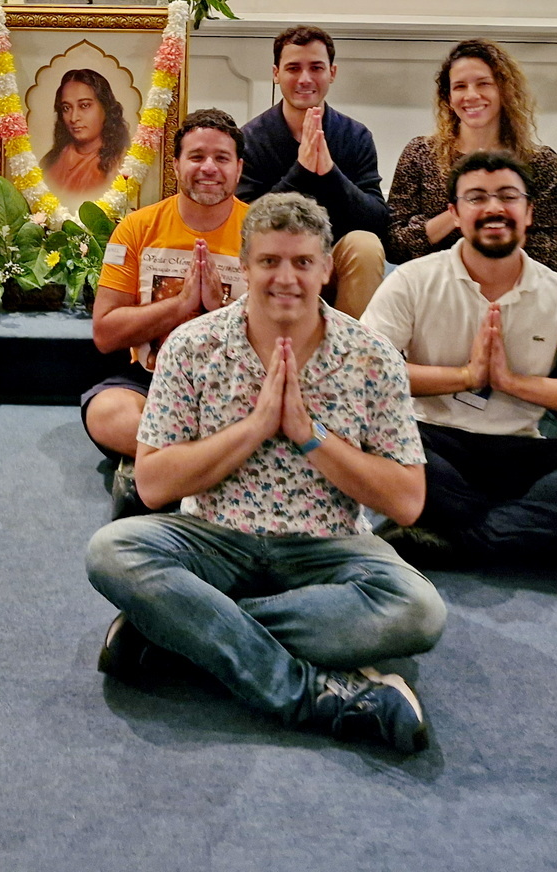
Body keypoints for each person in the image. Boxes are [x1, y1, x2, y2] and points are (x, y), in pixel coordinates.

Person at [85, 193, 446, 755]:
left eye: (302, 262)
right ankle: (311, 693)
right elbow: (153, 483)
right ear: (246, 266)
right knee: (112, 550)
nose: (286, 278)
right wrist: (254, 429)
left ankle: (179, 630)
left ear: (326, 269)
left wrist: (309, 436)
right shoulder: (194, 345)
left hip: (329, 550)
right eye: (269, 261)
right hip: (214, 541)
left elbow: (407, 502)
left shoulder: (372, 356)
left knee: (419, 610)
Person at [362, 152, 557, 572]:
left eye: (508, 196)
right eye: (476, 197)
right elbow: (364, 376)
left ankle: (460, 540)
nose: (493, 208)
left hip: (521, 450)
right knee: (368, 433)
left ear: (529, 212)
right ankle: (538, 533)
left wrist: (511, 382)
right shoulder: (413, 280)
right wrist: (465, 376)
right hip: (430, 444)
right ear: (455, 214)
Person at [84, 109, 251, 518]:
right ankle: (208, 467)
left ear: (239, 168)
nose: (208, 168)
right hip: (149, 380)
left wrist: (219, 311)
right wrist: (179, 306)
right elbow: (105, 333)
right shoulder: (137, 229)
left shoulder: (260, 232)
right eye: (196, 157)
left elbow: (284, 332)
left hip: (236, 385)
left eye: (221, 158)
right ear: (175, 164)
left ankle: (156, 468)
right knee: (106, 415)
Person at [237, 26, 387, 320]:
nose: (305, 79)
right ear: (276, 73)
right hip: (274, 263)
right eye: (293, 68)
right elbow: (244, 222)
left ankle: (351, 357)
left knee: (365, 245)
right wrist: (301, 171)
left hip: (336, 265)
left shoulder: (355, 136)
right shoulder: (251, 138)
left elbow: (378, 222)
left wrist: (330, 173)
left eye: (316, 68)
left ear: (332, 72)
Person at [386, 40, 557, 275]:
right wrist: (461, 209)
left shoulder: (539, 161)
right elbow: (395, 245)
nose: (471, 95)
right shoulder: (420, 153)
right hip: (435, 285)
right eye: (460, 86)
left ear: (504, 91)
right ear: (448, 98)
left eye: (483, 84)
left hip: (514, 287)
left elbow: (555, 255)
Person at [39, 67, 129, 200]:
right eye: (66, 108)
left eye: (84, 106)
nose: (74, 118)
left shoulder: (122, 163)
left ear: (105, 108)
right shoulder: (50, 161)